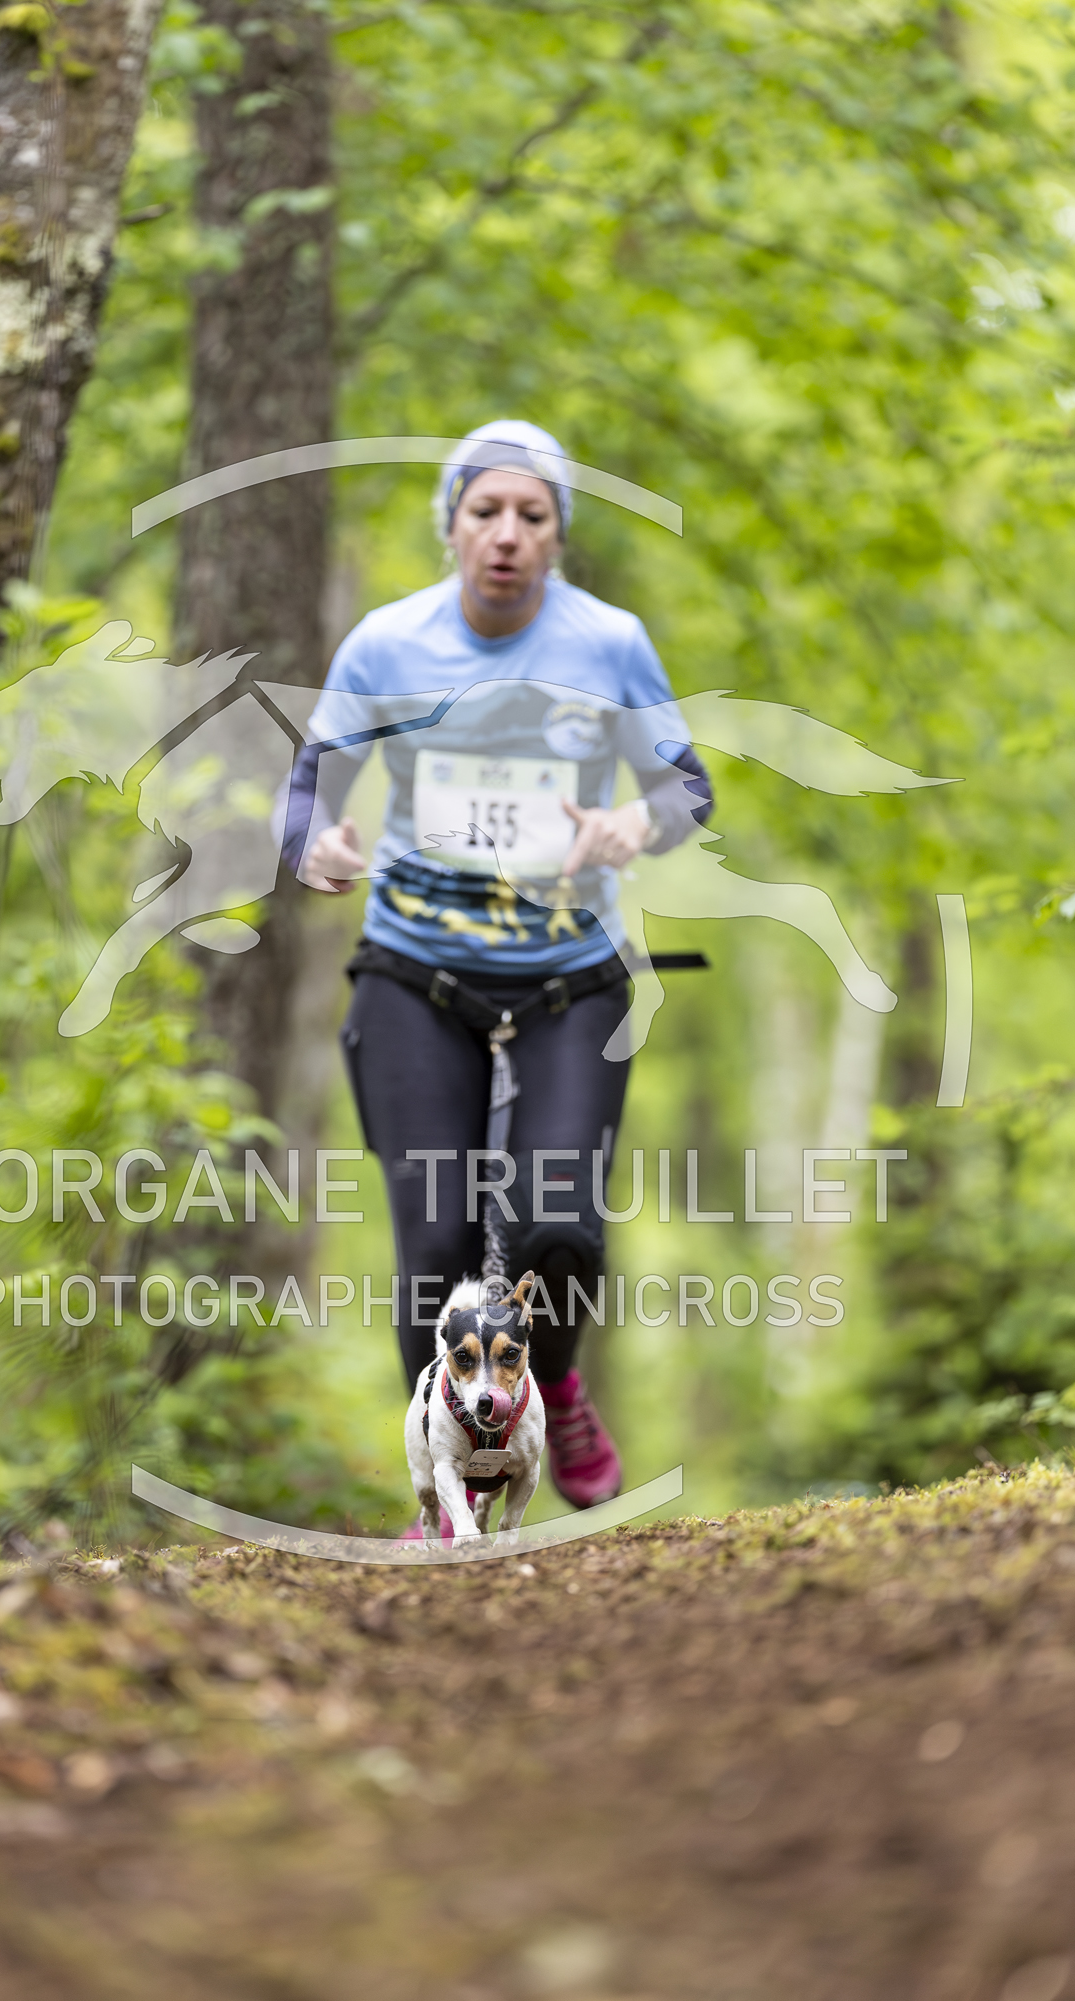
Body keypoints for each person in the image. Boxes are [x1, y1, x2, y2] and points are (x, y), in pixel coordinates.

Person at [283, 421, 713, 1522]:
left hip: (570, 980)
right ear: (453, 526)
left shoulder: (608, 642)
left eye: (533, 515)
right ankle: (444, 1499)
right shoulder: (387, 644)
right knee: (436, 1243)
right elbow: (310, 784)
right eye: (486, 512)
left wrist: (631, 823)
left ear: (557, 535)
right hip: (413, 976)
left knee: (556, 1227)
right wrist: (316, 845)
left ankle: (552, 1385)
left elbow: (687, 788)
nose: (507, 535)